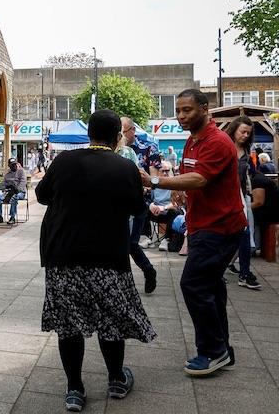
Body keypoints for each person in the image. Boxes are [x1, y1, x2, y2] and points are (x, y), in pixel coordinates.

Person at [36, 109, 154, 412]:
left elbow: (42, 195)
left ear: (88, 134)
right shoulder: (125, 167)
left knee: (69, 324)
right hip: (107, 257)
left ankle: (74, 389)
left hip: (64, 255)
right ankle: (116, 379)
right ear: (117, 138)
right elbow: (137, 208)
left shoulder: (63, 161)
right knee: (110, 321)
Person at [140, 89, 246, 376]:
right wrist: (182, 194)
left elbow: (200, 178)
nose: (181, 115)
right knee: (211, 286)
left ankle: (213, 351)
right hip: (201, 225)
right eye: (178, 110)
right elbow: (192, 178)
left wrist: (155, 180)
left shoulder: (216, 141)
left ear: (204, 108)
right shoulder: (192, 142)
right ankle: (221, 348)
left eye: (187, 110)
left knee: (194, 285)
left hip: (220, 228)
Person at [120, 117, 159, 294]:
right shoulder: (114, 150)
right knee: (128, 244)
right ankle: (147, 271)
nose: (119, 134)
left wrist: (146, 187)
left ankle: (146, 272)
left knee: (129, 244)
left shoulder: (146, 148)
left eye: (122, 130)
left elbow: (153, 178)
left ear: (132, 130)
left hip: (138, 204)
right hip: (122, 205)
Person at [223, 116, 262, 290]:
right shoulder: (224, 146)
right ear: (234, 130)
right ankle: (218, 270)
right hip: (223, 198)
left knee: (244, 234)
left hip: (241, 199)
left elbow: (251, 174)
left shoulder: (247, 152)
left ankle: (244, 273)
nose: (246, 135)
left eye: (249, 132)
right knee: (224, 237)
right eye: (243, 131)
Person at [0, 159, 26, 224]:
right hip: (9, 192)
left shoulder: (21, 171)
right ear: (9, 166)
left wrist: (16, 189)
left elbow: (23, 183)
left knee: (14, 197)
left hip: (20, 192)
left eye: (15, 164)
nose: (14, 166)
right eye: (12, 165)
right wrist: (6, 188)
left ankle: (12, 217)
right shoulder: (7, 174)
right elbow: (4, 185)